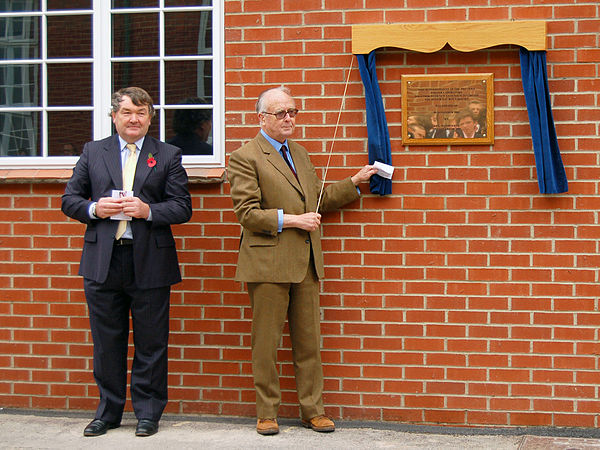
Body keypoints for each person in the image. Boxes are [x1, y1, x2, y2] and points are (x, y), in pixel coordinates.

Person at [227, 86, 377, 436]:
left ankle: (313, 410)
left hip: (306, 264)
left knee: (308, 341)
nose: (289, 118)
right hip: (267, 265)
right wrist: (294, 221)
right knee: (266, 342)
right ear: (261, 118)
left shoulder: (300, 153)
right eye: (281, 113)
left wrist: (353, 183)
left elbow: (317, 200)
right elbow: (247, 213)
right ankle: (267, 412)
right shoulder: (245, 156)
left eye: (293, 112)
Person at [61, 87, 192, 438]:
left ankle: (148, 413)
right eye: (127, 112)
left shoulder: (168, 154)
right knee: (107, 342)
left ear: (151, 117)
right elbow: (69, 199)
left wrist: (149, 210)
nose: (134, 119)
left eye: (142, 113)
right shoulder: (93, 151)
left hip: (150, 260)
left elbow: (182, 207)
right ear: (114, 116)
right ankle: (108, 412)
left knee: (151, 342)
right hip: (103, 260)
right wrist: (93, 208)